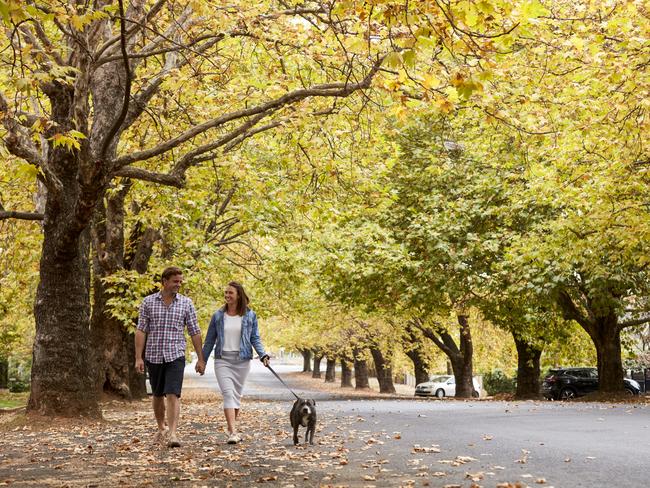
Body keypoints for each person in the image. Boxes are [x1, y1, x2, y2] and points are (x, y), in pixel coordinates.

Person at [135, 266, 206, 448]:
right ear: (164, 281)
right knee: (158, 395)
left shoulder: (186, 303)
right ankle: (161, 428)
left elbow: (194, 331)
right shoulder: (148, 302)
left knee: (173, 393)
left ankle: (173, 433)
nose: (178, 285)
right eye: (175, 281)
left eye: (180, 281)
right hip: (154, 355)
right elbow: (141, 330)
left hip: (175, 355)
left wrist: (200, 358)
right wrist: (138, 357)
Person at [199, 281, 269, 444]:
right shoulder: (218, 316)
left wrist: (263, 354)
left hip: (242, 361)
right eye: (226, 293)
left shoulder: (250, 315)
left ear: (238, 295)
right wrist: (202, 360)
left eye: (230, 293)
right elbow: (209, 341)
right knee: (228, 394)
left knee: (236, 396)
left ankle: (233, 430)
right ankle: (232, 431)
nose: (227, 295)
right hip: (223, 360)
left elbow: (254, 338)